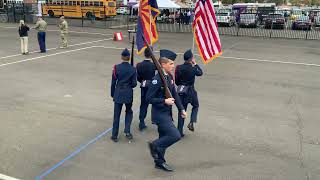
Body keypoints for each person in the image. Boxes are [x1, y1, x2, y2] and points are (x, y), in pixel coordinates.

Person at [146, 49, 187, 171]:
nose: (173, 66)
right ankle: (154, 145)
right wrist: (164, 101)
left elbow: (174, 93)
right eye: (171, 64)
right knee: (175, 135)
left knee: (164, 136)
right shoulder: (157, 79)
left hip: (167, 113)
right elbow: (148, 98)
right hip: (160, 115)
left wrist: (181, 109)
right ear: (163, 64)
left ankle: (159, 162)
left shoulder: (168, 77)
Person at [110, 48, 137, 142]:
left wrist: (112, 93)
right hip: (128, 93)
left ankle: (114, 135)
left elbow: (113, 82)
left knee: (116, 115)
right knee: (129, 112)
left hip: (118, 93)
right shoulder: (133, 69)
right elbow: (134, 84)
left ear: (122, 57)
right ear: (129, 58)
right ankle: (127, 131)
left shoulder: (116, 67)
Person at [175, 49, 203, 137]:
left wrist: (181, 85)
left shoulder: (178, 67)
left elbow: (177, 80)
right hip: (191, 91)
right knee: (196, 106)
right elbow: (200, 73)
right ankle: (191, 121)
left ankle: (179, 131)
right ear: (191, 59)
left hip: (181, 91)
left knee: (182, 111)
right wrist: (195, 63)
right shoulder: (193, 68)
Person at [136, 48, 156, 131]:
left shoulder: (139, 65)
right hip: (152, 86)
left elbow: (138, 77)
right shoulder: (153, 65)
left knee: (143, 104)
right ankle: (154, 119)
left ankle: (141, 121)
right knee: (155, 103)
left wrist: (142, 81)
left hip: (143, 86)